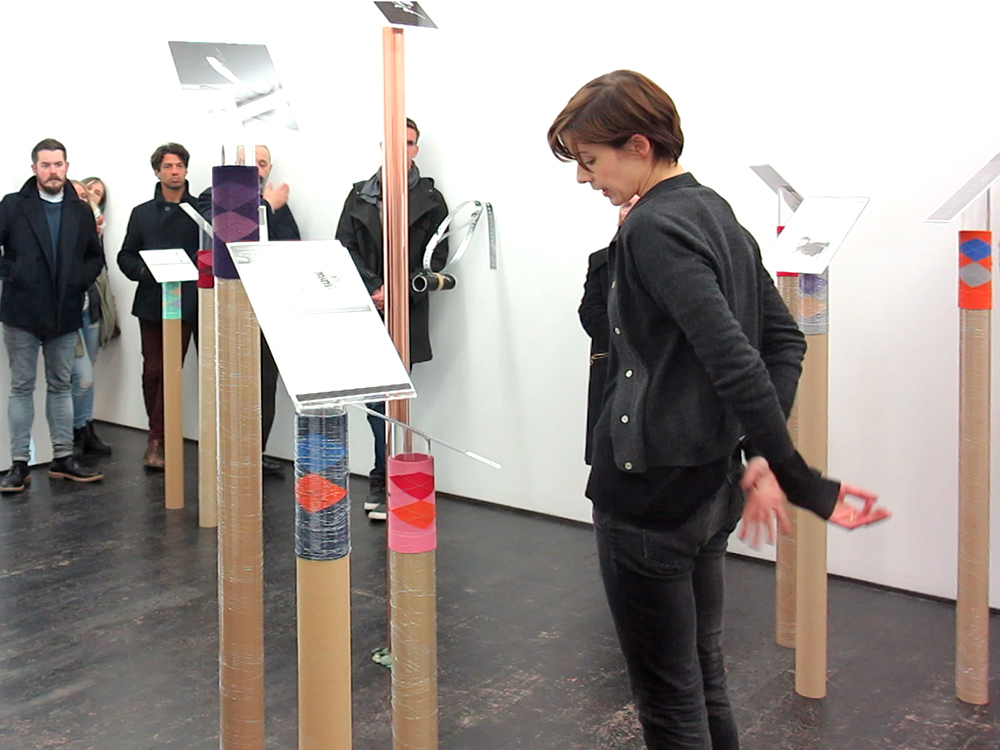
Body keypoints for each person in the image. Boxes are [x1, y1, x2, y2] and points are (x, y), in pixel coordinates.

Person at [547, 71, 890, 750]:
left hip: (649, 496)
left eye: (589, 160)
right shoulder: (712, 210)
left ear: (638, 145)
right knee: (702, 679)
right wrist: (759, 456)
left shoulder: (655, 228)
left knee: (670, 702)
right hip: (709, 488)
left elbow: (737, 360)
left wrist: (797, 478)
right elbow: (781, 341)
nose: (584, 178)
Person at [335, 117, 449, 521]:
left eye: (410, 143)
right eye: (396, 142)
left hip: (407, 311)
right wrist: (373, 287)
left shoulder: (432, 199)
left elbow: (437, 257)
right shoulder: (359, 195)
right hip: (369, 308)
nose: (403, 149)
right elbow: (343, 248)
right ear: (383, 146)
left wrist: (399, 291)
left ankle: (386, 480)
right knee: (374, 399)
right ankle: (382, 477)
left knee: (394, 398)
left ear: (416, 149)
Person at [0, 139, 106, 493]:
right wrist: (15, 273)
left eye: (58, 164)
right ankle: (19, 463)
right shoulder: (13, 205)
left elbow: (95, 257)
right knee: (21, 386)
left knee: (62, 385)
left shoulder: (80, 210)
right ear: (34, 169)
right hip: (21, 312)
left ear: (67, 167)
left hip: (65, 311)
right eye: (45, 165)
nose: (52, 171)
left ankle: (62, 457)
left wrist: (77, 281)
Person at [198, 145, 300, 477]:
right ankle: (227, 457)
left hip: (267, 309)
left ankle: (256, 454)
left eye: (263, 163)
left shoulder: (276, 204)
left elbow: (291, 247)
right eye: (250, 162)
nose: (257, 169)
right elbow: (227, 235)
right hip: (227, 309)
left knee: (265, 387)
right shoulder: (211, 196)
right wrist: (266, 206)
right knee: (229, 386)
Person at [118, 143, 199, 469]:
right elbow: (125, 255)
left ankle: (158, 440)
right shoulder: (142, 213)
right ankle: (157, 437)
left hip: (187, 302)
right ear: (157, 171)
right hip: (152, 302)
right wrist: (145, 271)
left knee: (171, 371)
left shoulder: (199, 211)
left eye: (179, 165)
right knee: (153, 371)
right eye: (167, 166)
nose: (174, 172)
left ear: (186, 169)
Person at [579, 195, 637, 465]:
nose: (629, 211)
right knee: (607, 452)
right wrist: (625, 339)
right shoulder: (601, 260)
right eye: (626, 205)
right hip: (610, 363)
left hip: (653, 368)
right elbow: (589, 312)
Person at [68, 181, 113, 458]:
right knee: (81, 376)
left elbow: (99, 264)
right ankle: (74, 432)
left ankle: (87, 429)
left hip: (91, 306)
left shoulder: (95, 228)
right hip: (69, 310)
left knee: (89, 375)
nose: (83, 199)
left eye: (86, 196)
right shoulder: (60, 226)